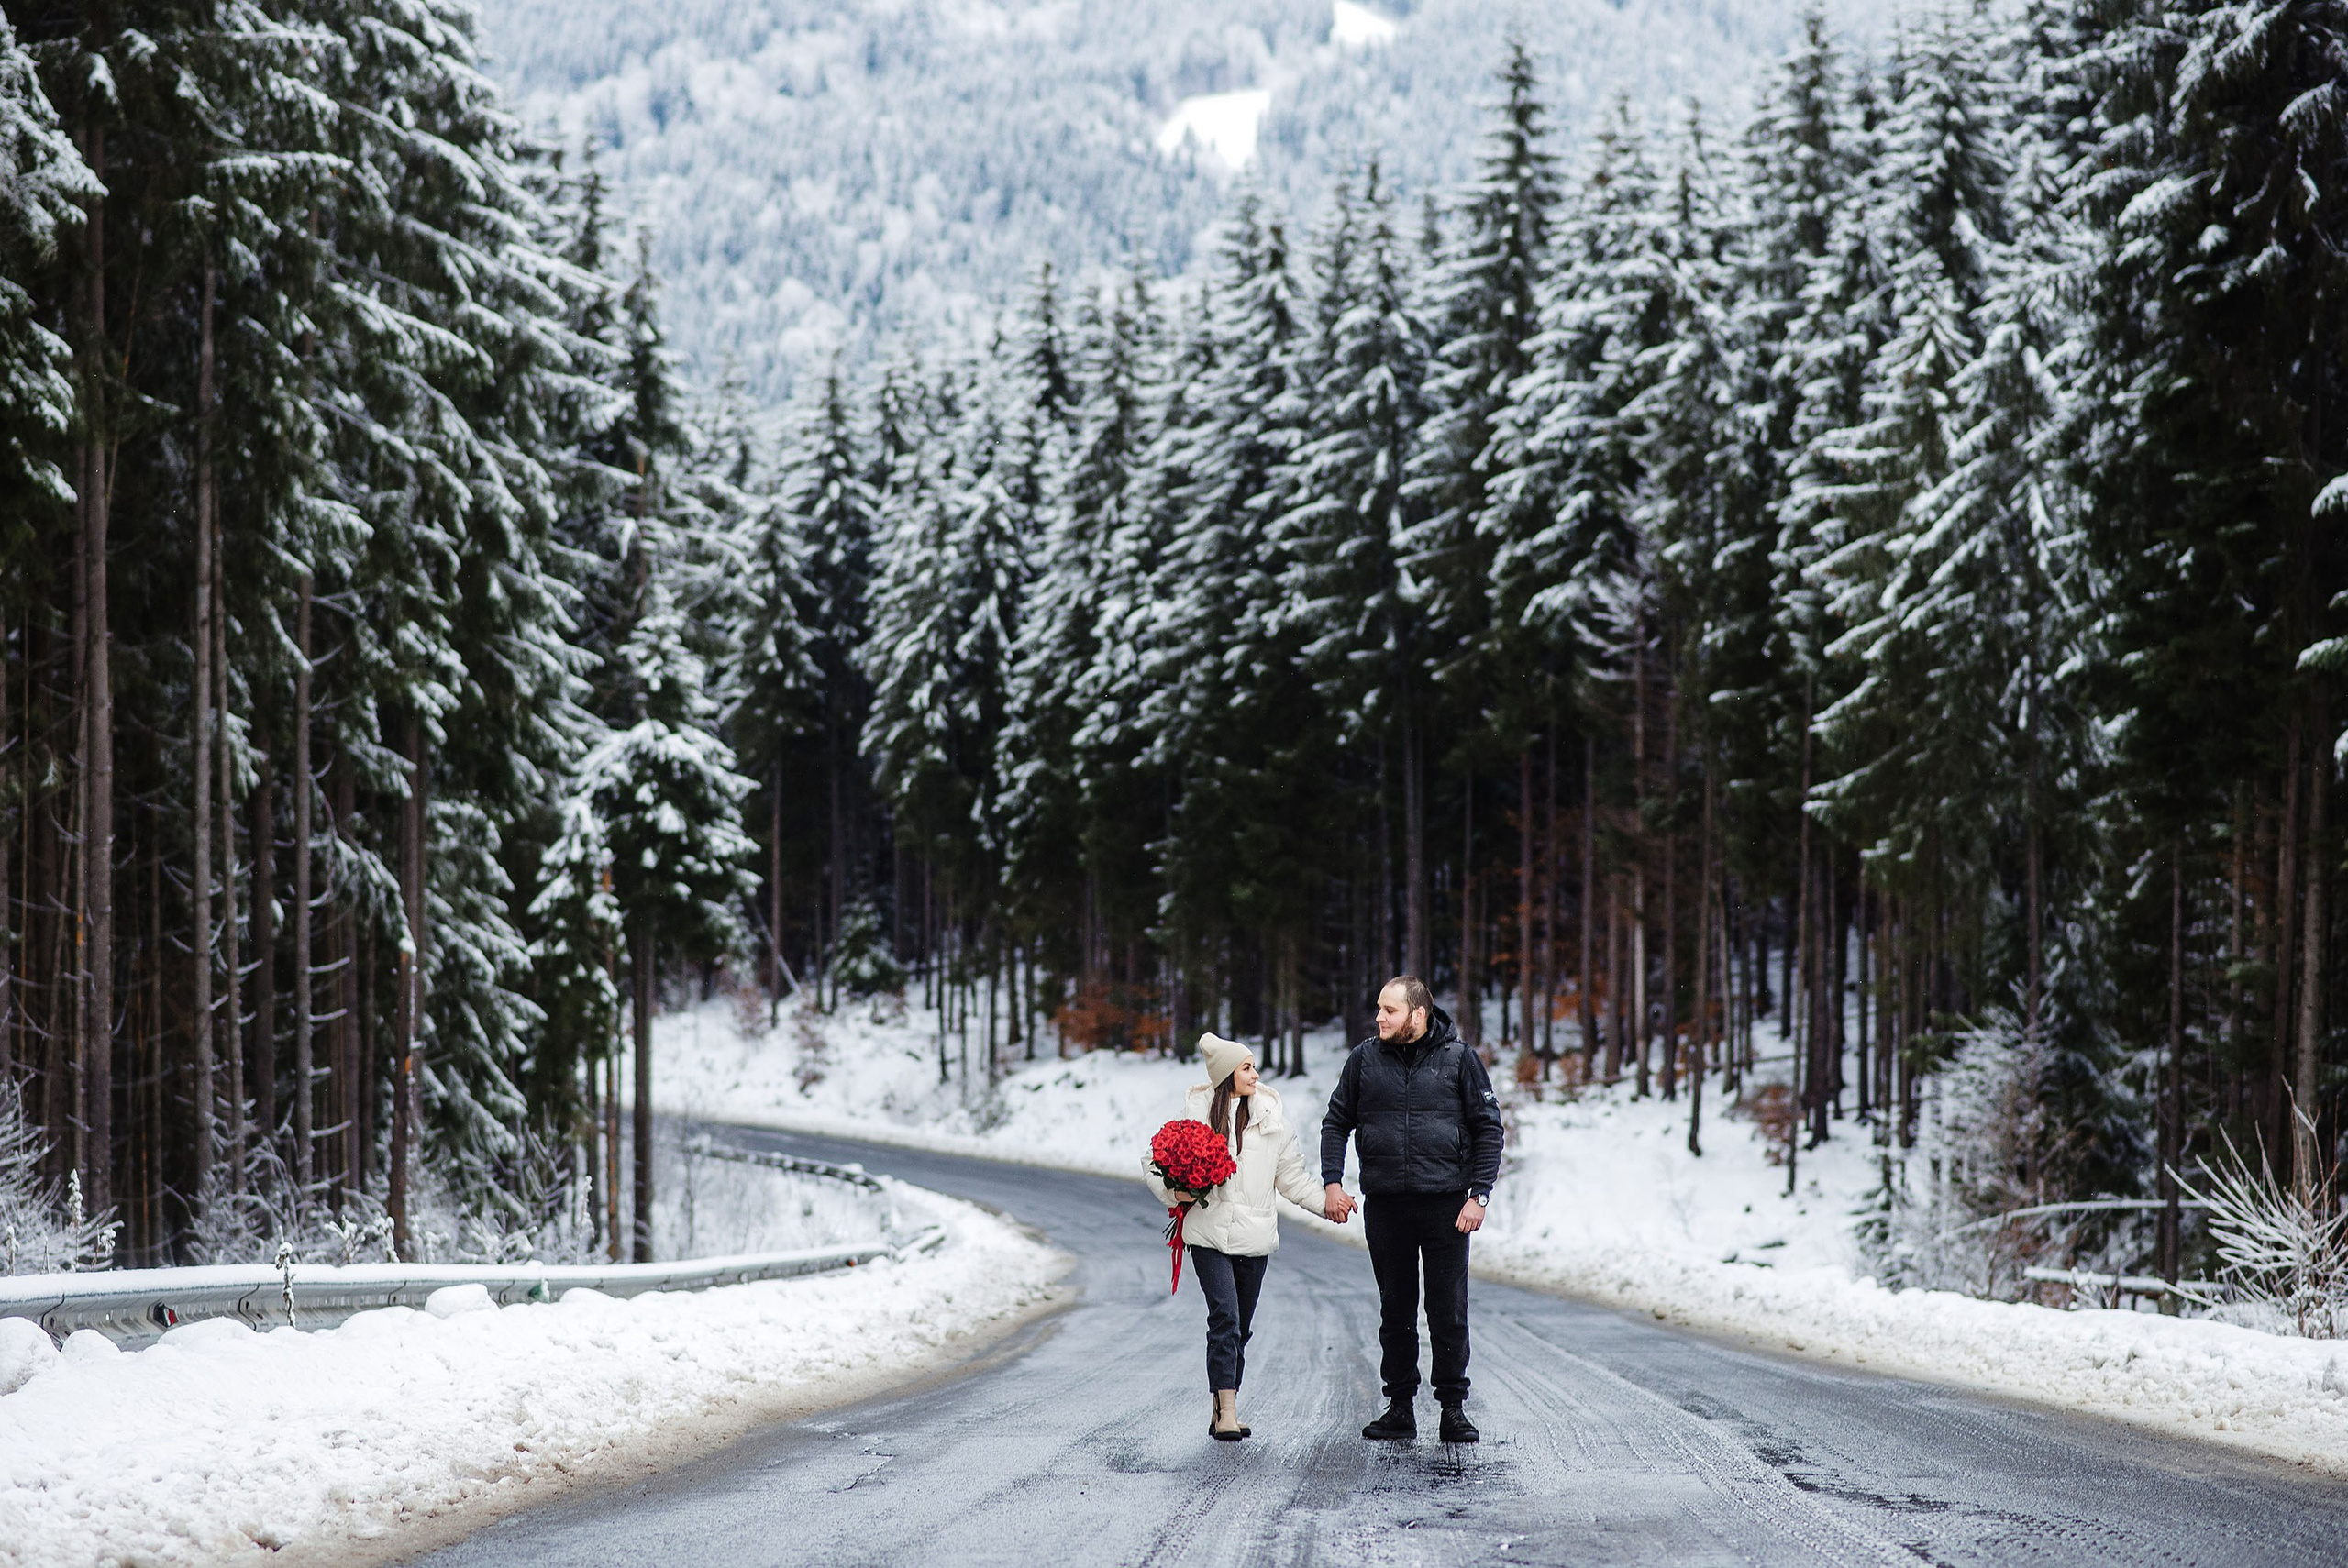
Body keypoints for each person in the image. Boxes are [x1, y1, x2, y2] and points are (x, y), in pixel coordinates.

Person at [1320, 975, 1504, 1444]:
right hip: (1387, 1207)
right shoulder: (1363, 1060)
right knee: (1395, 1309)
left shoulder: (1460, 1060)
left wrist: (1478, 1194)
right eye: (1379, 1009)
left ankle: (1453, 1409)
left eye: (1390, 1010)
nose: (1379, 1017)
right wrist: (1332, 1183)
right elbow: (1336, 1121)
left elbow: (1488, 1129)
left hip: (1447, 1207)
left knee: (1448, 1310)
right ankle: (1399, 1407)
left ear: (1418, 1015)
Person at [1146, 1032, 1342, 1441]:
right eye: (1247, 1067)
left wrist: (1326, 1204)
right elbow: (1152, 1162)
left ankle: (1222, 1401)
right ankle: (1228, 1412)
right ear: (1226, 1076)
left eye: (1253, 1066)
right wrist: (1175, 1191)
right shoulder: (1194, 1118)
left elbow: (1291, 1179)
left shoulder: (1273, 1121)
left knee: (1242, 1328)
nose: (1255, 1074)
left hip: (1254, 1238)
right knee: (1226, 1318)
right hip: (1206, 1235)